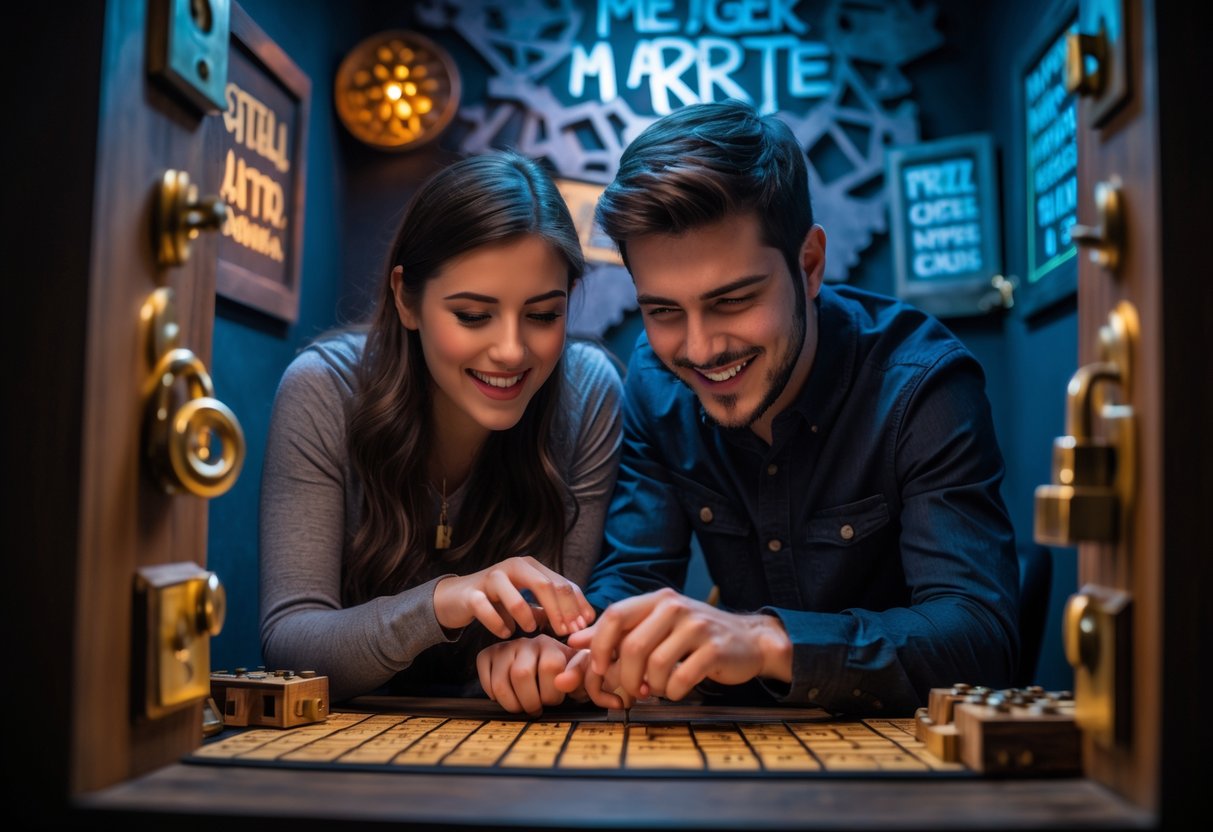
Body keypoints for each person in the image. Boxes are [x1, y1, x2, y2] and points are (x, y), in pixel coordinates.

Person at [478, 100, 1019, 717]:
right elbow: (633, 576)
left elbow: (981, 639)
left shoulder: (922, 385)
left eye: (733, 300)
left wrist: (764, 639)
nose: (702, 348)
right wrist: (565, 652)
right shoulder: (657, 385)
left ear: (809, 265)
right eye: (663, 312)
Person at [259, 151, 623, 704]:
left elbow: (562, 636)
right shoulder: (325, 389)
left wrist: (545, 660)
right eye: (473, 315)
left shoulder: (589, 393)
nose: (510, 350)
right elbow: (289, 644)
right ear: (407, 298)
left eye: (543, 315)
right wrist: (442, 603)